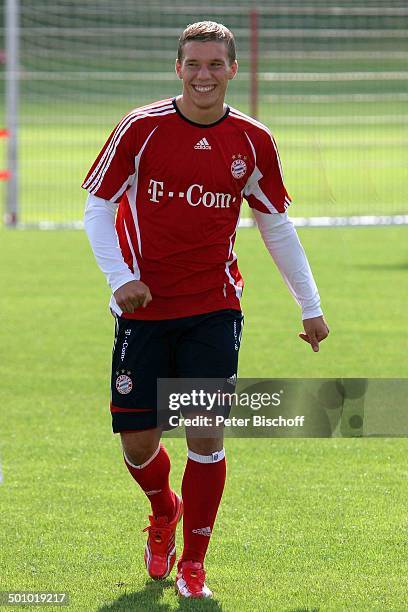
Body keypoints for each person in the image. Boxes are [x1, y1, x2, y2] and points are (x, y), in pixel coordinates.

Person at [82, 21, 329, 599]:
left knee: (205, 433)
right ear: (178, 68)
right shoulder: (140, 129)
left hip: (214, 309)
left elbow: (276, 226)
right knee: (138, 443)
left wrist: (310, 306)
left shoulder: (252, 141)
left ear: (232, 70)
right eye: (194, 63)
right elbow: (97, 207)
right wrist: (122, 279)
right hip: (143, 311)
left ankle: (194, 562)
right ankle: (162, 508)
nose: (204, 74)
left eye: (215, 64)